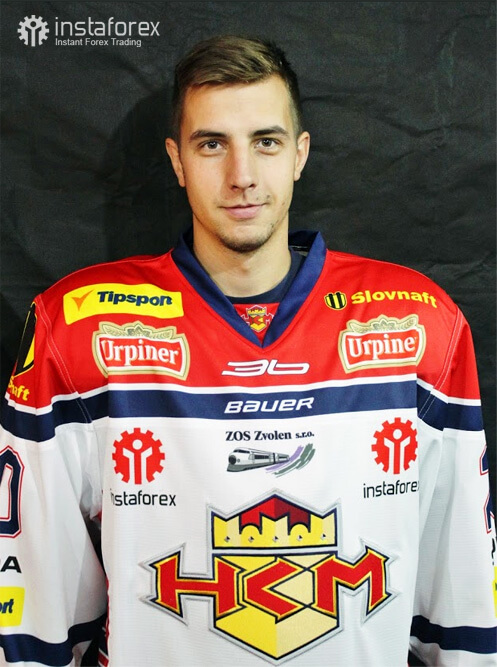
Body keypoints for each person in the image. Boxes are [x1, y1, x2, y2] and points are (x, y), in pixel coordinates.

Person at [0, 34, 495, 667]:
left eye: (266, 141)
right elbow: (33, 604)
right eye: (212, 144)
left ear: (300, 153)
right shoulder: (79, 326)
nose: (242, 176)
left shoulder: (419, 322)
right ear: (177, 161)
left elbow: (463, 597)